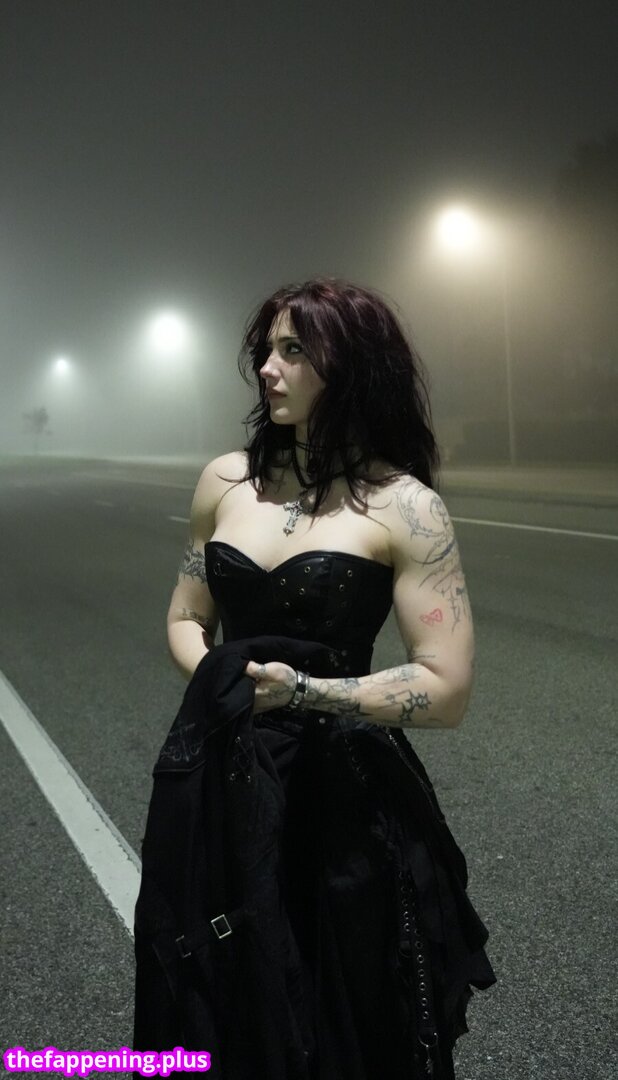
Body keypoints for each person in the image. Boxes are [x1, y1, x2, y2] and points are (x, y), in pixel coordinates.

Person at [149, 277, 496, 1078]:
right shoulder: (224, 482)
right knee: (219, 991)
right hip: (227, 774)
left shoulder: (406, 507)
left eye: (293, 351)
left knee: (347, 1016)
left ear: (350, 367)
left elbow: (447, 688)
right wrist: (227, 684)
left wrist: (305, 694)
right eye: (266, 350)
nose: (267, 369)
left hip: (343, 794)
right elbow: (185, 618)